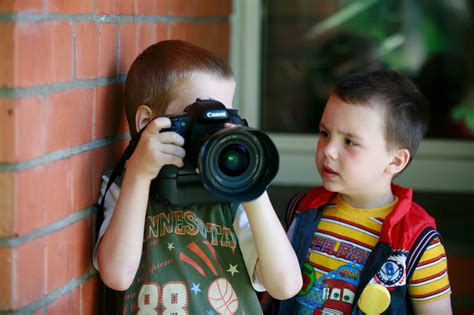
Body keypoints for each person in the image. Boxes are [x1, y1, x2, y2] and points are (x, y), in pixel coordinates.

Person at [93, 40, 302, 314]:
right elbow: (117, 276)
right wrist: (139, 175)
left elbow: (285, 286)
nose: (212, 133)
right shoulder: (124, 187)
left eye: (222, 119)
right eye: (198, 119)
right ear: (147, 123)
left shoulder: (231, 198)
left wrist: (251, 186)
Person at [279, 70, 452, 314]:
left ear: (395, 161)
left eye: (350, 142)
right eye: (325, 133)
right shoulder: (301, 211)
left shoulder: (417, 242)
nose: (329, 150)